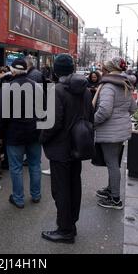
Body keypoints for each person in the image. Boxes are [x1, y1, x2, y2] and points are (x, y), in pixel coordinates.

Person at [40, 54, 94, 244]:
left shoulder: (58, 91)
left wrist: (42, 138)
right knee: (74, 186)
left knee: (61, 190)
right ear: (72, 69)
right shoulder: (86, 91)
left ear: (56, 71)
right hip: (78, 147)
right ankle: (71, 223)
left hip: (60, 149)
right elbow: (90, 117)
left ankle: (65, 230)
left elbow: (53, 123)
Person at [94, 57, 137, 210]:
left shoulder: (108, 87)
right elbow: (133, 108)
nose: (102, 70)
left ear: (108, 70)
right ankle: (111, 189)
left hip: (110, 131)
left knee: (112, 164)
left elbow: (104, 111)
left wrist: (91, 122)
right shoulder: (126, 84)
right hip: (120, 130)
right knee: (113, 163)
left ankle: (115, 198)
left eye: (104, 68)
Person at [1, 58, 42, 209]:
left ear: (12, 71)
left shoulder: (8, 88)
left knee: (16, 167)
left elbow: (2, 115)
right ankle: (36, 195)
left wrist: (1, 134)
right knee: (35, 164)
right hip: (35, 132)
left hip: (15, 134)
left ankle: (18, 199)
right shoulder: (36, 87)